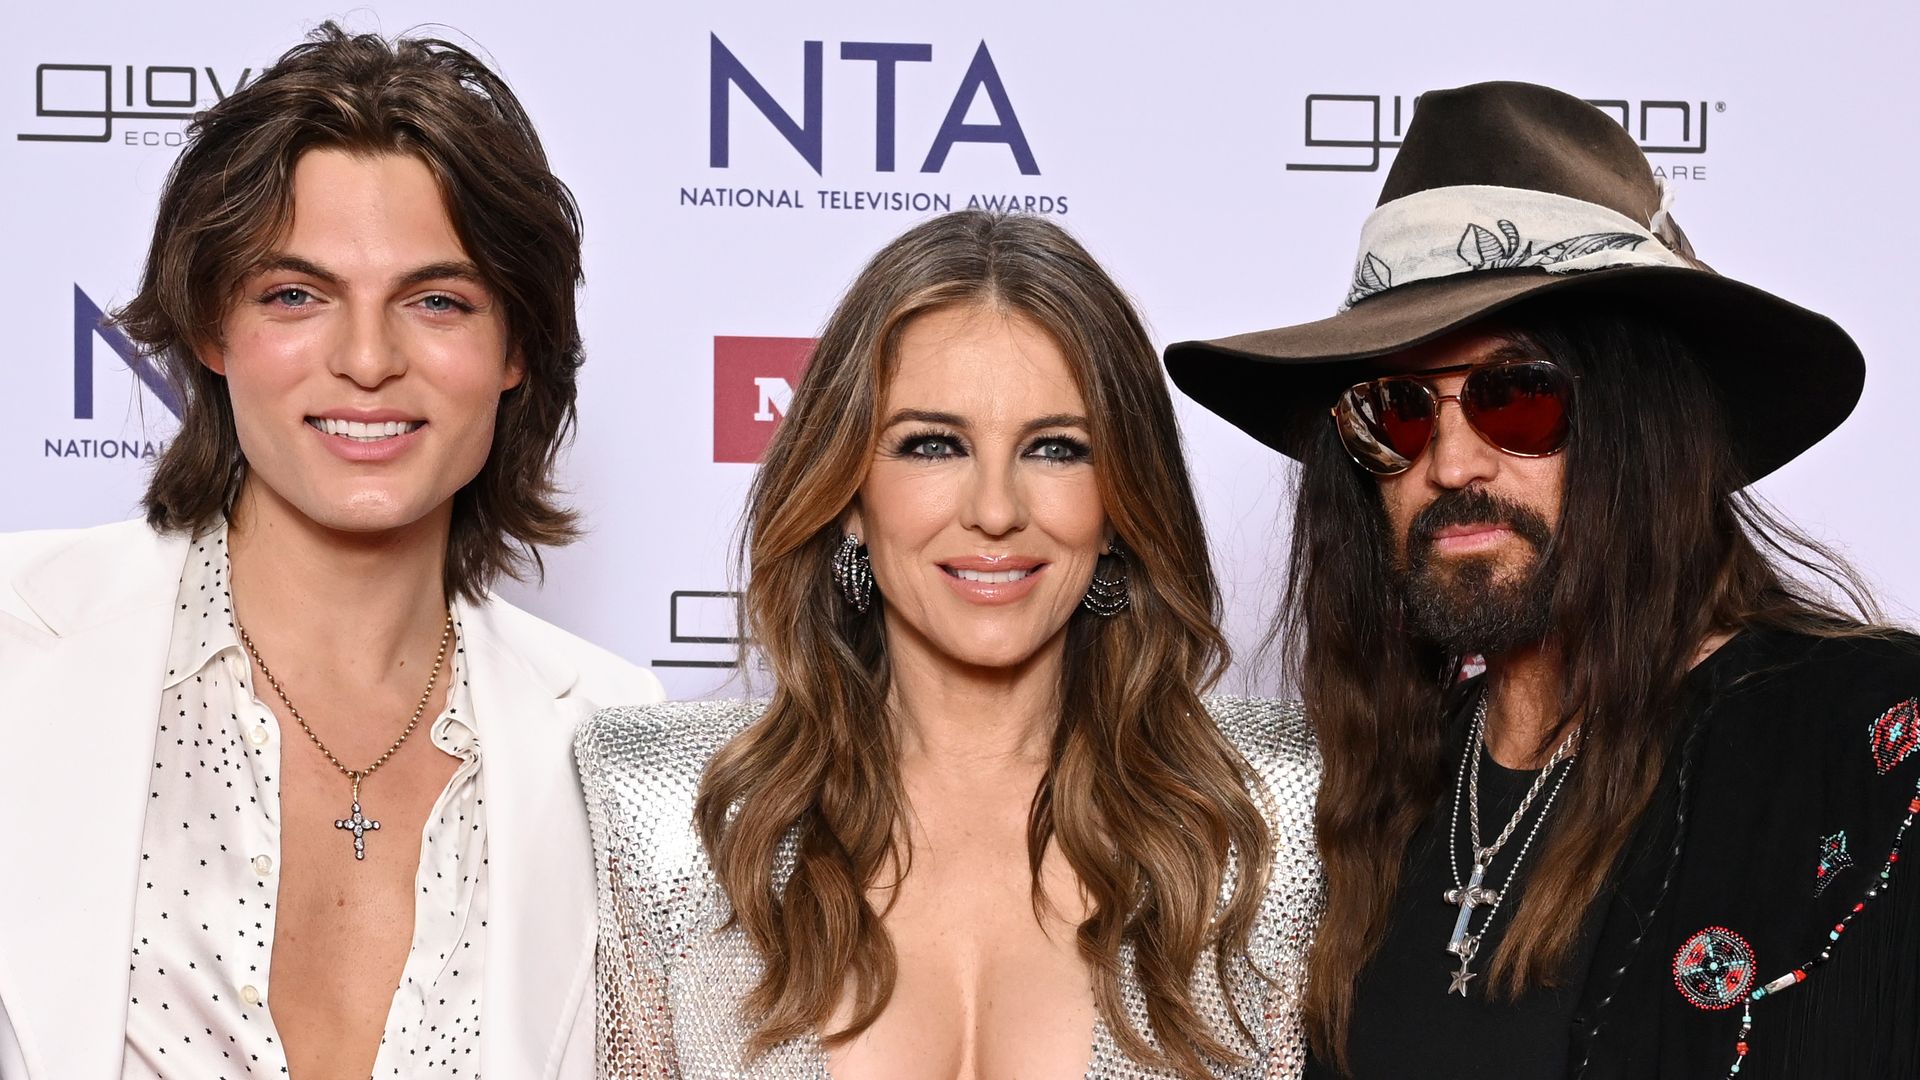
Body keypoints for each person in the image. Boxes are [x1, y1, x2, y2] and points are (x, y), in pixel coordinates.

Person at [1164, 80, 1920, 1079]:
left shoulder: (1870, 741)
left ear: (1652, 426)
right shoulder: (1385, 784)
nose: (1451, 463)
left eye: (1515, 398)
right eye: (1397, 410)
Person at [0, 23, 661, 1079]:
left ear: (515, 349)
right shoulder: (16, 649)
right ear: (214, 329)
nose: (366, 360)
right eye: (296, 296)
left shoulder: (620, 752)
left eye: (437, 301)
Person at [577, 210, 1322, 1079]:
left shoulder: (1267, 816)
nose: (996, 510)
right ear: (849, 495)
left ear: (1120, 509)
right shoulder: (668, 818)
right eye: (933, 445)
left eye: (1056, 449)